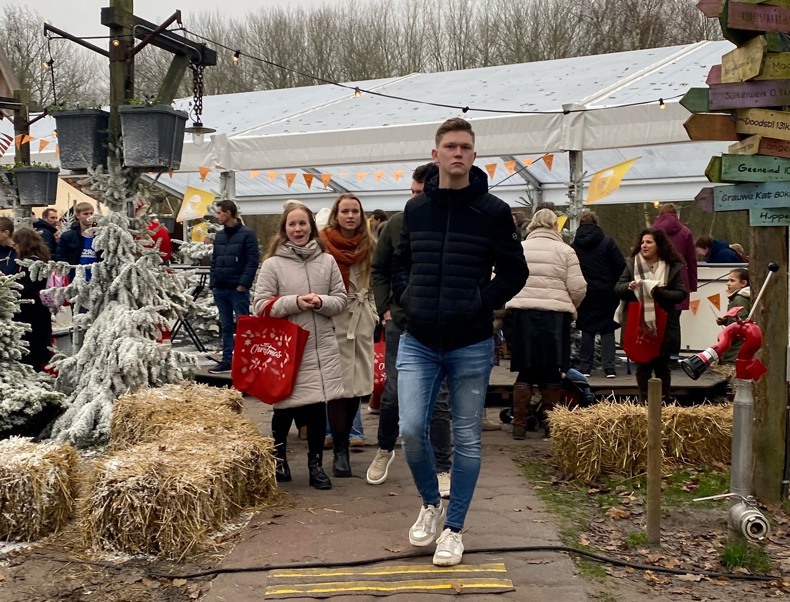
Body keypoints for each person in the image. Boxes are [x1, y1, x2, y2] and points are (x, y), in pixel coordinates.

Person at [392, 118, 528, 566]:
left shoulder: (493, 212)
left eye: (465, 147)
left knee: (467, 437)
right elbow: (400, 261)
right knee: (412, 429)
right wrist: (406, 298)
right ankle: (431, 503)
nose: (457, 153)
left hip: (469, 341)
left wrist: (480, 302)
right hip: (419, 338)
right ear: (436, 155)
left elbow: (515, 271)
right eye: (450, 146)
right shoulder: (416, 210)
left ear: (474, 155)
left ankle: (454, 529)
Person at [367, 163, 455, 496]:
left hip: (440, 323)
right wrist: (386, 308)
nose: (414, 198)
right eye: (412, 192)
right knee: (392, 392)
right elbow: (379, 268)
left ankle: (442, 466)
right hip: (401, 321)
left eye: (421, 193)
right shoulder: (397, 224)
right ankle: (385, 448)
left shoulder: (450, 221)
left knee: (440, 398)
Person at [252, 200, 347, 490]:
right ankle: (279, 460)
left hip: (320, 348)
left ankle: (315, 466)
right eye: (292, 224)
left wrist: (320, 302)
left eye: (302, 223)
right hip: (287, 350)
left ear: (311, 227)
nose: (298, 229)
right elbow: (260, 306)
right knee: (285, 409)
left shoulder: (327, 261)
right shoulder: (272, 265)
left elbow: (340, 300)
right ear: (284, 228)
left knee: (317, 409)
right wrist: (294, 302)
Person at [506, 208, 587, 439]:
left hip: (523, 316)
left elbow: (505, 279)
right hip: (555, 318)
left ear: (532, 224)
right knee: (552, 372)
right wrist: (569, 305)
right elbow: (578, 287)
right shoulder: (566, 251)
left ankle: (519, 424)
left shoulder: (521, 248)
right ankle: (551, 425)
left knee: (525, 371)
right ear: (555, 225)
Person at [319, 193, 378, 478]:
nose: (351, 216)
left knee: (357, 387)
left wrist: (374, 312)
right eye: (345, 211)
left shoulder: (370, 244)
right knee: (337, 388)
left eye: (355, 211)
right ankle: (340, 449)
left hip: (361, 319)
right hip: (334, 320)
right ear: (336, 214)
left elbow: (378, 280)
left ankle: (345, 440)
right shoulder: (323, 244)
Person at [615, 228, 686, 402]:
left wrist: (657, 292)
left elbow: (681, 294)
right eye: (642, 242)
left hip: (663, 323)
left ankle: (664, 402)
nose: (644, 246)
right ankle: (644, 403)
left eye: (649, 242)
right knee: (643, 366)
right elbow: (618, 288)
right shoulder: (632, 264)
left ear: (658, 245)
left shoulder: (671, 266)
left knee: (662, 366)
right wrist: (630, 287)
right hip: (639, 322)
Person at [571, 211, 625, 379]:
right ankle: (609, 368)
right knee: (607, 329)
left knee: (587, 329)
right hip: (607, 291)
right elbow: (620, 265)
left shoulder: (574, 245)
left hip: (586, 291)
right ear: (597, 223)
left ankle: (585, 367)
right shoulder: (607, 242)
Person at [208, 200, 260, 374]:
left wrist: (243, 284)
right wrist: (214, 283)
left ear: (228, 213)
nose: (216, 216)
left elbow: (252, 261)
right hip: (221, 288)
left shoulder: (247, 234)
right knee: (226, 326)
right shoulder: (220, 236)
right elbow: (215, 260)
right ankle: (227, 360)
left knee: (244, 325)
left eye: (219, 213)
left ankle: (247, 361)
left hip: (237, 290)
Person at [11, 227, 52, 371]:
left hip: (30, 315)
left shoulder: (30, 264)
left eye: (16, 244)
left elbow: (26, 289)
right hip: (39, 313)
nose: (14, 247)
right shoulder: (41, 260)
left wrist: (10, 284)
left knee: (31, 354)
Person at [652, 203, 697, 313]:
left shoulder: (651, 232)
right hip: (679, 277)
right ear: (676, 215)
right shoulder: (685, 232)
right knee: (675, 316)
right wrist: (692, 285)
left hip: (656, 276)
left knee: (655, 315)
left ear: (660, 214)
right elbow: (691, 260)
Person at [56, 202, 98, 281]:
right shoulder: (68, 236)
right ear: (78, 215)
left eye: (91, 213)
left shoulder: (99, 236)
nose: (89, 216)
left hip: (96, 278)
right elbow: (60, 257)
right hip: (75, 278)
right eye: (85, 214)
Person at [716, 268, 751, 364]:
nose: (728, 283)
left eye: (732, 280)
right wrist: (725, 321)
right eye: (728, 280)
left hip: (737, 348)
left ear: (743, 283)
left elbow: (741, 323)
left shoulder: (740, 299)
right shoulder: (737, 298)